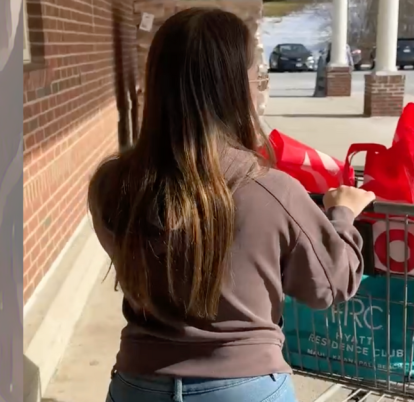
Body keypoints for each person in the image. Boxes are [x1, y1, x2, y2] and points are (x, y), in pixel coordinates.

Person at [87, 7, 376, 402]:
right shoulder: (272, 190)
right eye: (257, 77)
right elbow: (329, 285)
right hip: (245, 387)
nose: (259, 87)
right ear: (233, 89)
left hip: (137, 383)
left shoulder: (111, 183)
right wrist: (342, 215)